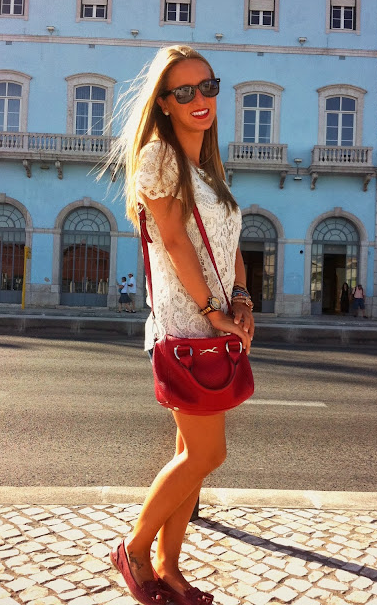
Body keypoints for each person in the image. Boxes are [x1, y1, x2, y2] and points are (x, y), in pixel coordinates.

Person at [105, 45, 254, 605]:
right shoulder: (158, 158)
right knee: (206, 455)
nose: (200, 100)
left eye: (207, 87)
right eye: (184, 92)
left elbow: (231, 247)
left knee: (190, 459)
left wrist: (239, 298)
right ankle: (135, 549)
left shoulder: (208, 170)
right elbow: (171, 240)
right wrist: (214, 310)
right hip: (186, 330)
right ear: (164, 103)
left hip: (215, 329)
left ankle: (170, 567)